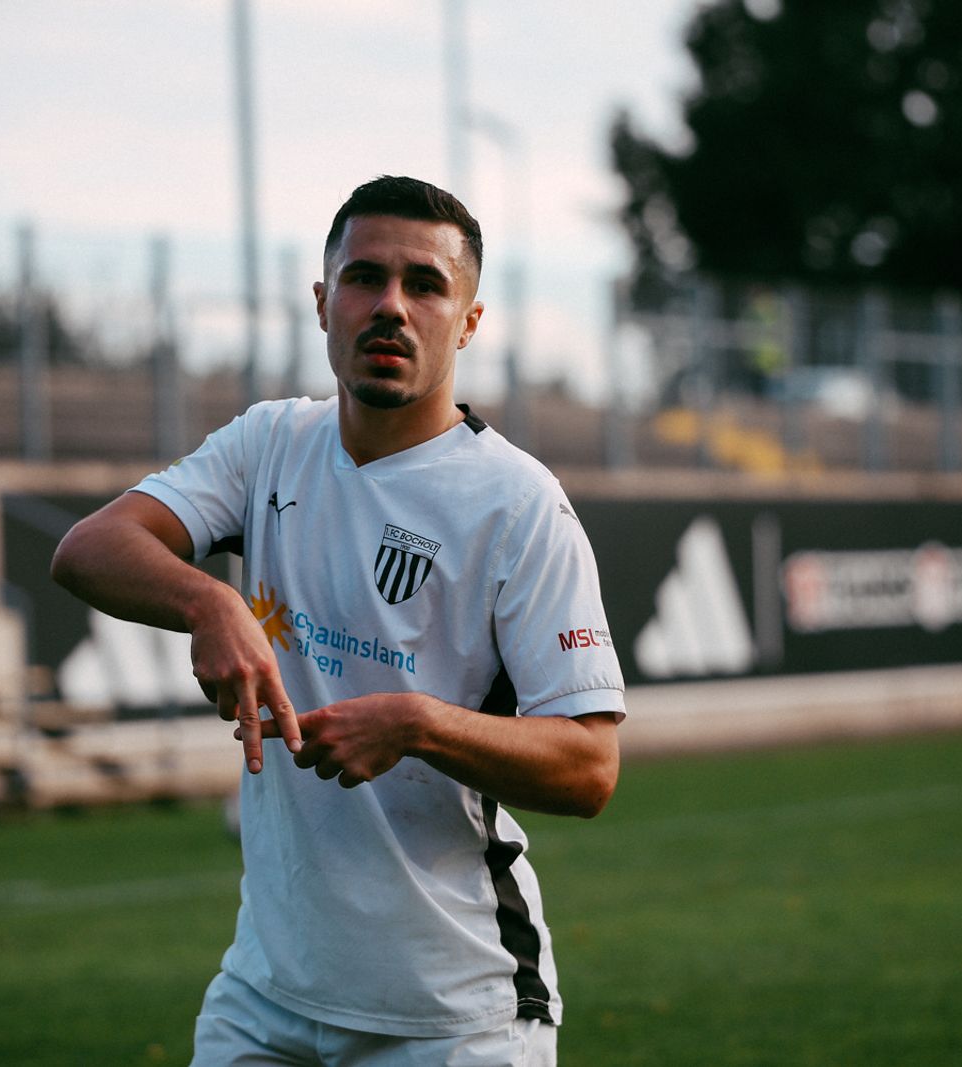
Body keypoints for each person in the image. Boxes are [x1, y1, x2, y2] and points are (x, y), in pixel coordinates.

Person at [51, 175, 625, 1066]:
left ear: (468, 322)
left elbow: (590, 767)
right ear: (323, 303)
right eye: (365, 277)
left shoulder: (519, 505)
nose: (391, 306)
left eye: (426, 285)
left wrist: (417, 724)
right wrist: (210, 601)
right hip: (266, 996)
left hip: (455, 1016)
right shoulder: (269, 443)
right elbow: (88, 548)